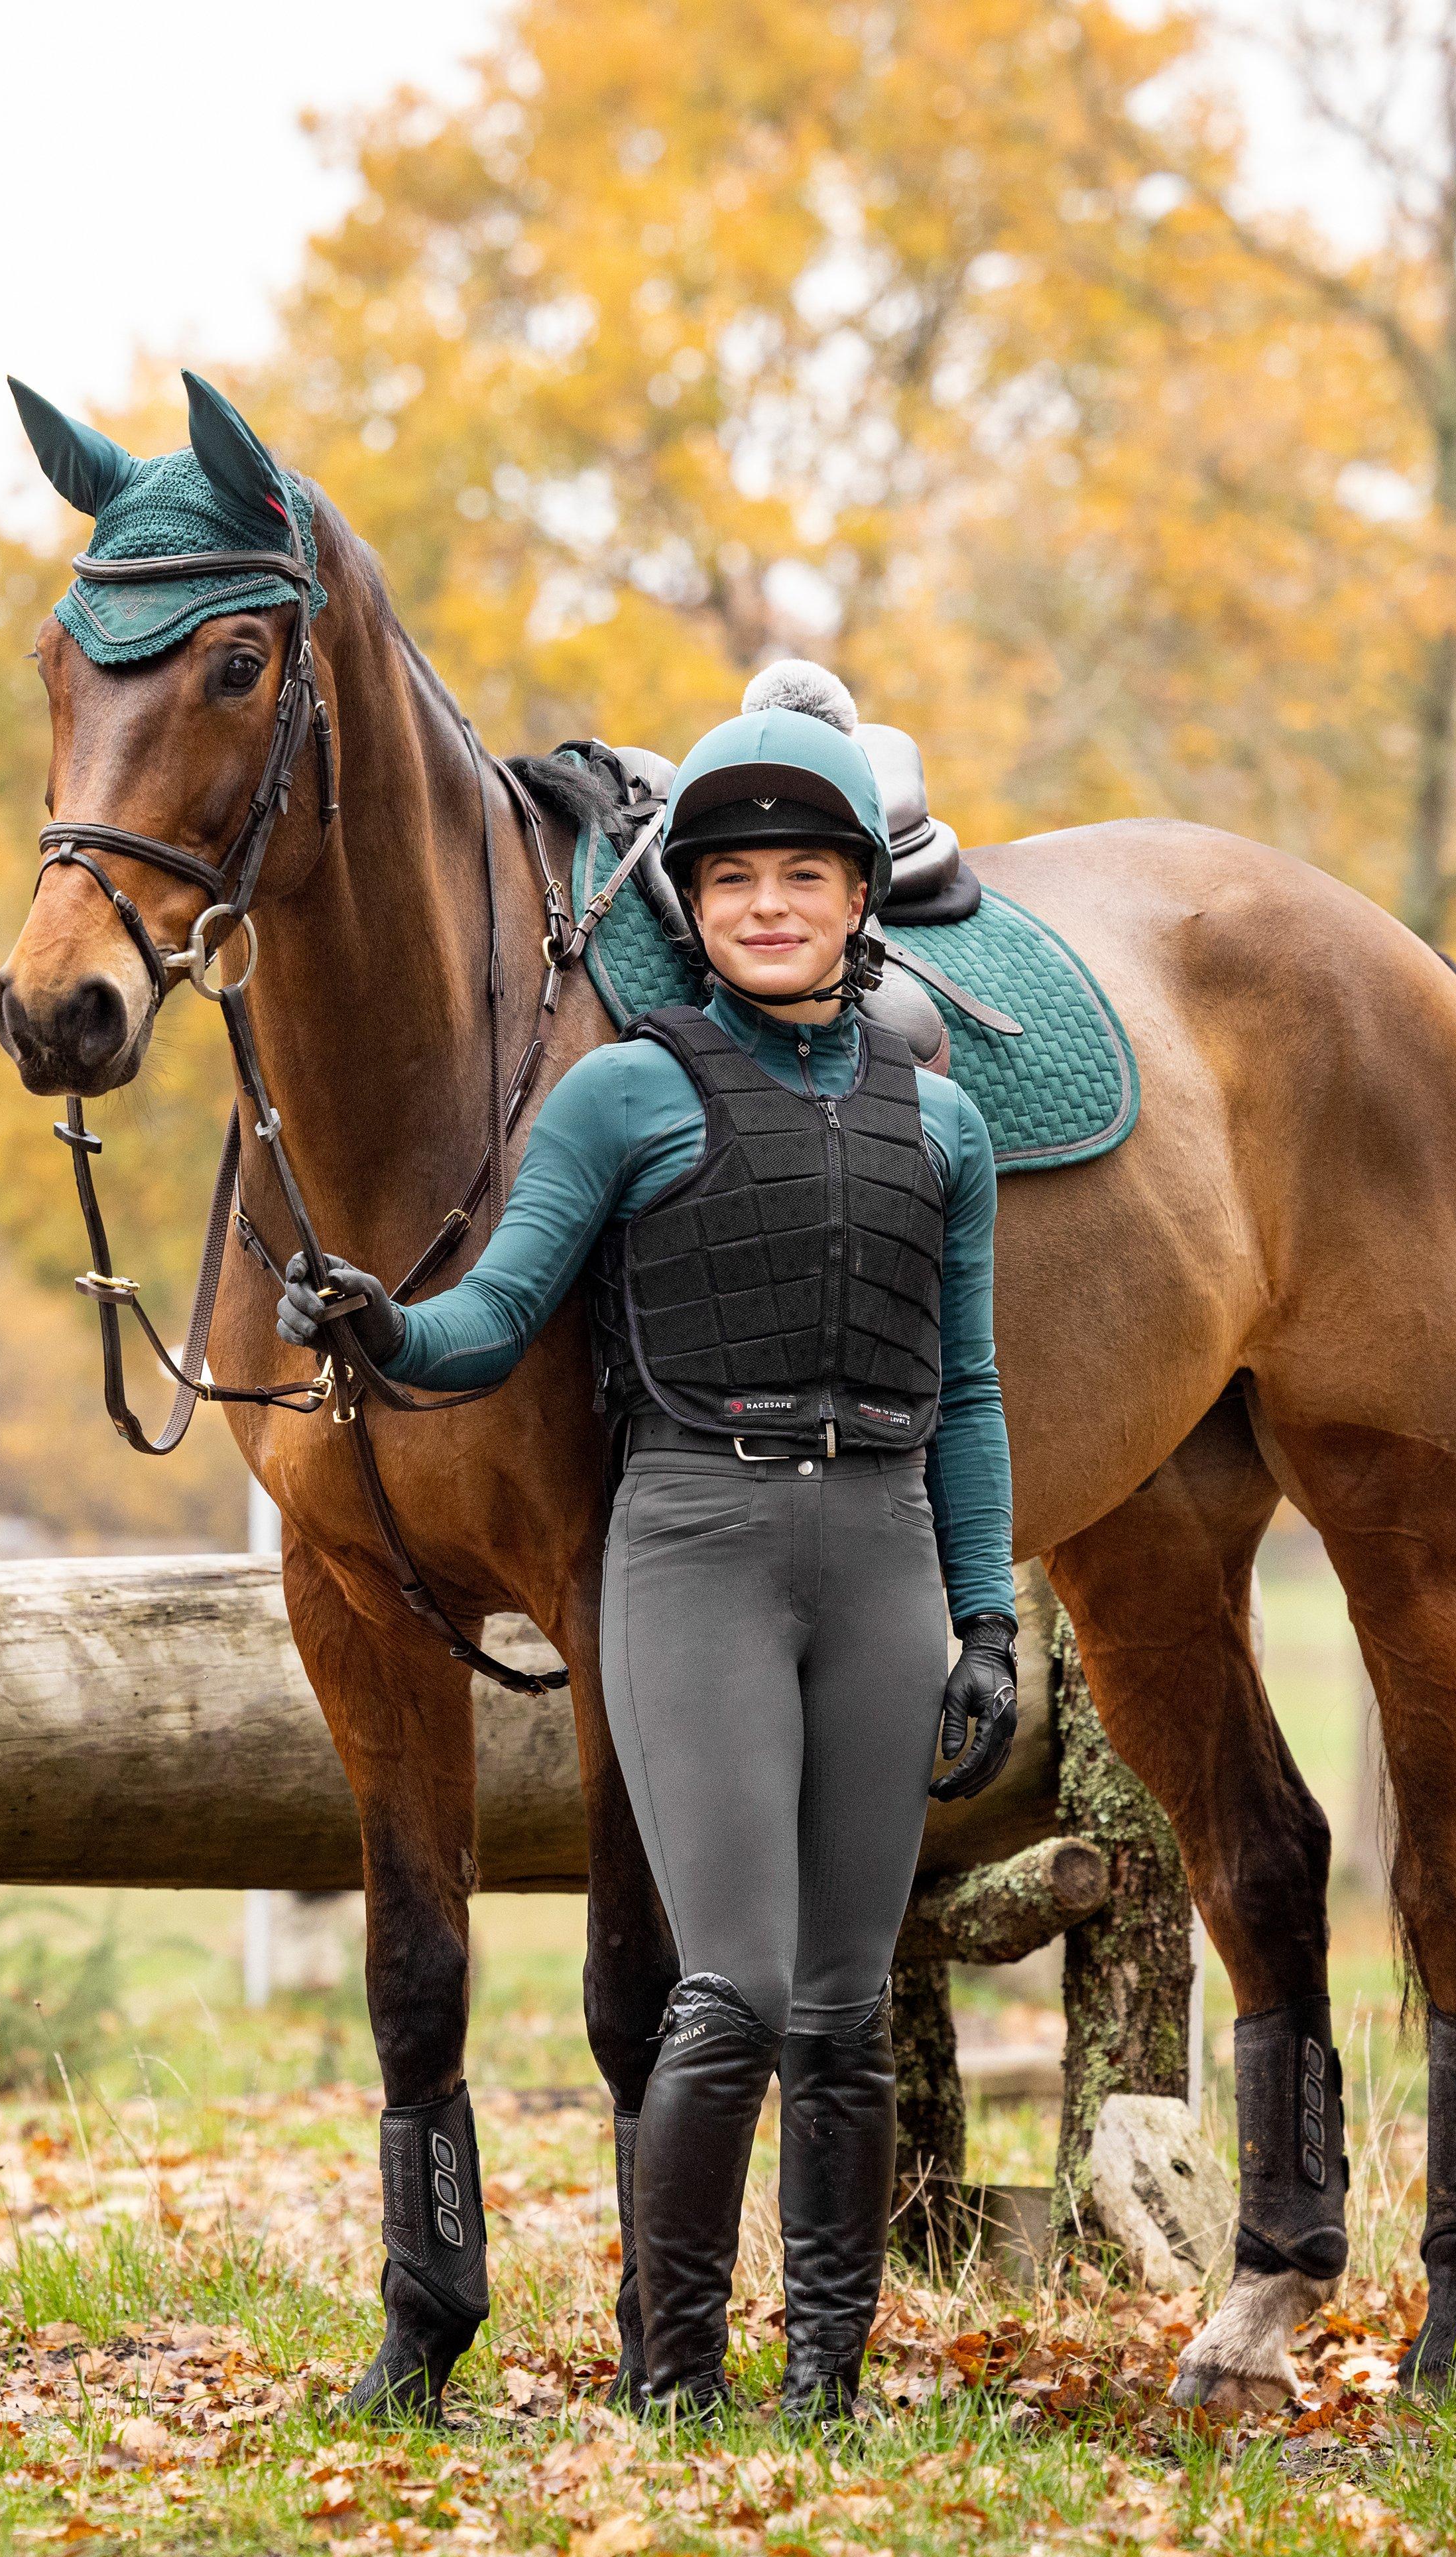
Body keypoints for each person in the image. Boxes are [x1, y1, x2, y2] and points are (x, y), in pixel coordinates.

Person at [275, 682, 1017, 2424]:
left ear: (859, 902)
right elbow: (501, 1314)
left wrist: (983, 1617)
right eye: (738, 875)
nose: (770, 902)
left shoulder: (950, 1128)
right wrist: (386, 1332)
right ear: (698, 899)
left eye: (805, 876)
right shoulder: (620, 1096)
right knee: (738, 1986)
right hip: (694, 1540)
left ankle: (824, 2381)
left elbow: (970, 1393)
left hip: (885, 1553)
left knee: (845, 2002)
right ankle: (675, 2375)